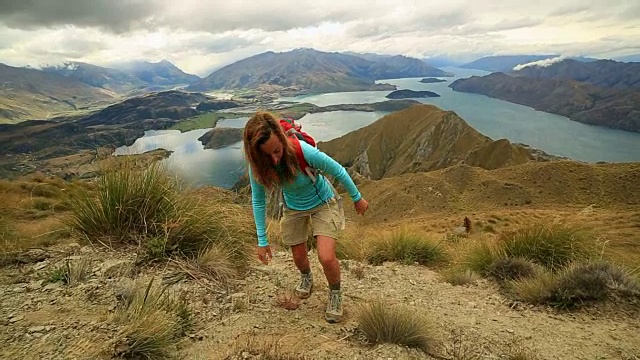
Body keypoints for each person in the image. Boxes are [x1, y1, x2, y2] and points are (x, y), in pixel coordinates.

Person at [243, 111, 369, 323]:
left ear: (282, 140)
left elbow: (338, 170)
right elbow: (258, 200)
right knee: (299, 257)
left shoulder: (302, 151)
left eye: (277, 151)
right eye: (267, 156)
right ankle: (306, 277)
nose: (274, 159)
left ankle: (335, 293)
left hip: (323, 202)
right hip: (293, 207)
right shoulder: (257, 167)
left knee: (326, 256)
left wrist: (357, 198)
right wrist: (262, 241)